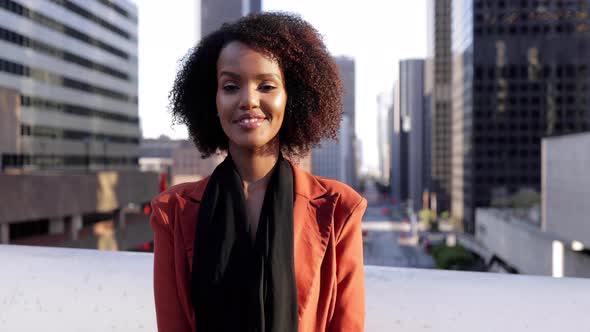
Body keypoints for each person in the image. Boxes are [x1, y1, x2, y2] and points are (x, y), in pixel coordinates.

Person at [150, 12, 367, 332]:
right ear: (212, 99)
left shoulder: (339, 209)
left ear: (291, 96)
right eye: (230, 86)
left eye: (266, 85)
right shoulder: (172, 213)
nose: (248, 100)